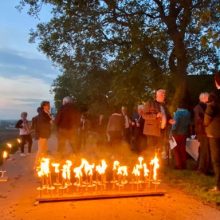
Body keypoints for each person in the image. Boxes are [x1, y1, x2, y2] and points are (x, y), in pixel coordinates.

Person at [142, 89, 175, 156]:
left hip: (161, 131)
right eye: (162, 95)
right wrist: (155, 115)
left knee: (159, 148)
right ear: (157, 96)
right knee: (151, 149)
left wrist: (170, 120)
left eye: (164, 95)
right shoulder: (150, 103)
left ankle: (157, 164)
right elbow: (144, 115)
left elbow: (168, 116)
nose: (164, 96)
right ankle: (149, 164)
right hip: (151, 131)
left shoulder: (164, 106)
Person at [204, 70, 220, 192]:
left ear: (216, 81)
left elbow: (209, 114)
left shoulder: (215, 95)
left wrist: (205, 123)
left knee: (217, 160)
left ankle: (219, 186)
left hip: (215, 133)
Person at [194, 92, 212, 175]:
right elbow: (200, 120)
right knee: (204, 151)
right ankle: (202, 170)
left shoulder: (202, 107)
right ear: (204, 98)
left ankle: (200, 167)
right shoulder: (199, 108)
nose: (209, 99)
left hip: (203, 131)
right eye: (208, 97)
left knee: (203, 150)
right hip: (202, 132)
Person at [171, 102, 191, 169]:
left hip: (177, 133)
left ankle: (178, 165)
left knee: (176, 149)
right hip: (184, 133)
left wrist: (172, 131)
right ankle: (184, 164)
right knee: (182, 149)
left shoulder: (177, 113)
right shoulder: (188, 113)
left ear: (178, 108)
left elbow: (175, 123)